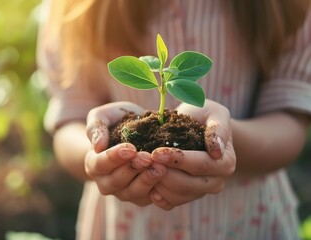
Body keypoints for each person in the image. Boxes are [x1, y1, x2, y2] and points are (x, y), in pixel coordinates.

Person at [37, 0, 311, 239]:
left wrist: (222, 138)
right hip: (128, 225)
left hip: (249, 220)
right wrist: (97, 154)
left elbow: (290, 119)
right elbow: (70, 120)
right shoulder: (75, 6)